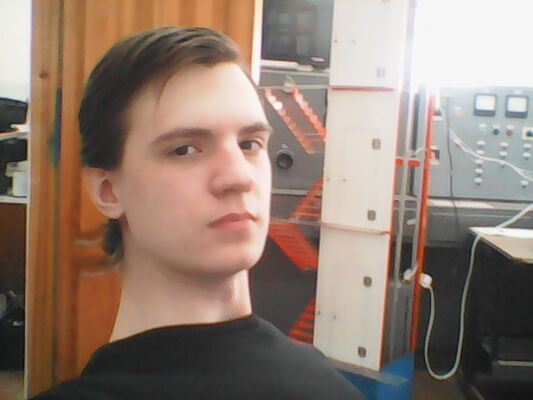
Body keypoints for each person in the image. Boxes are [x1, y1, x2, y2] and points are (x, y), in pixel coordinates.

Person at [31, 26, 364, 400]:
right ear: (108, 191)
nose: (238, 177)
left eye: (249, 144)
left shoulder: (327, 387)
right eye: (185, 149)